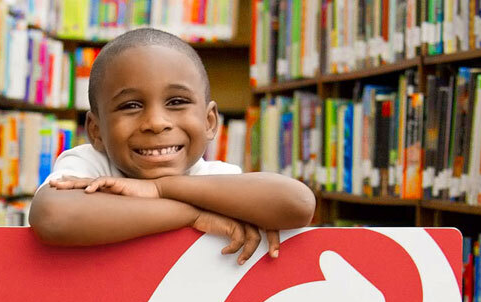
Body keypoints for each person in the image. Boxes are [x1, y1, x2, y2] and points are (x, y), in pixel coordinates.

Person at [28, 28, 316, 264]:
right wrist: (194, 215)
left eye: (177, 102)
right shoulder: (92, 164)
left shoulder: (215, 177)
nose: (156, 122)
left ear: (209, 121)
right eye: (130, 106)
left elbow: (298, 203)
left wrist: (160, 189)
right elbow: (53, 216)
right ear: (96, 130)